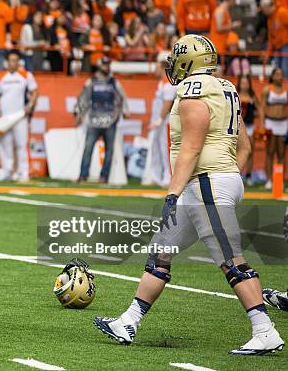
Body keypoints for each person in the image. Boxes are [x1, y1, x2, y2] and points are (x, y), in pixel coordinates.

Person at [94, 35, 285, 356]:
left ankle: (264, 330)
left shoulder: (193, 91)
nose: (173, 65)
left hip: (206, 183)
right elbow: (246, 147)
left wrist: (174, 192)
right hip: (214, 181)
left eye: (177, 58)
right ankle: (129, 321)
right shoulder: (225, 88)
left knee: (230, 259)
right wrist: (229, 179)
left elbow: (192, 147)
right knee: (161, 252)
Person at [75, 57, 128, 183]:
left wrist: (125, 111)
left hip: (110, 120)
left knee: (109, 150)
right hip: (93, 120)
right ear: (99, 66)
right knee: (88, 148)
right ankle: (83, 175)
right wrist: (79, 112)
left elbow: (122, 97)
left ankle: (104, 177)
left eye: (108, 64)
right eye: (105, 64)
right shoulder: (91, 82)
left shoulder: (114, 83)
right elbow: (84, 98)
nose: (107, 67)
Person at [0, 51, 39, 182]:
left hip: (20, 116)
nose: (14, 63)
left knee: (21, 144)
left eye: (16, 60)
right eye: (11, 60)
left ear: (19, 62)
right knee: (5, 144)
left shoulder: (26, 75)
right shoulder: (0, 77)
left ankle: (23, 172)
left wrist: (30, 105)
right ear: (7, 62)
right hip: (5, 117)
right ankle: (6, 171)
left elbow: (34, 92)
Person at [142, 51, 176, 187]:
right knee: (156, 147)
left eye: (157, 65)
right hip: (159, 120)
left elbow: (167, 104)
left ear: (162, 66)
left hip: (165, 120)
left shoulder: (169, 84)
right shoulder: (162, 83)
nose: (155, 68)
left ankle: (168, 175)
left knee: (165, 148)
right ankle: (157, 175)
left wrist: (159, 120)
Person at [260, 67, 287, 189]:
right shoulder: (267, 90)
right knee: (269, 152)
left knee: (281, 153)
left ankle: (280, 180)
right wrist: (262, 124)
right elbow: (262, 107)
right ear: (272, 76)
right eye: (277, 74)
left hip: (283, 123)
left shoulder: (286, 90)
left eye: (281, 74)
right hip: (270, 122)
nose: (279, 77)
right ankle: (269, 179)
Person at [237, 75, 259, 186]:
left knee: (249, 151)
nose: (244, 85)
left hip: (249, 126)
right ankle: (237, 174)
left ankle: (249, 175)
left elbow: (258, 111)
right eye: (243, 83)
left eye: (246, 83)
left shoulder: (252, 97)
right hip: (238, 126)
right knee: (237, 151)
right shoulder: (235, 95)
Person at [260, 0, 288, 76]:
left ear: (267, 7)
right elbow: (270, 38)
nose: (262, 12)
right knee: (276, 69)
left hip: (286, 45)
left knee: (285, 68)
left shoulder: (281, 12)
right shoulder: (269, 20)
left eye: (263, 9)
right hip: (277, 47)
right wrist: (268, 53)